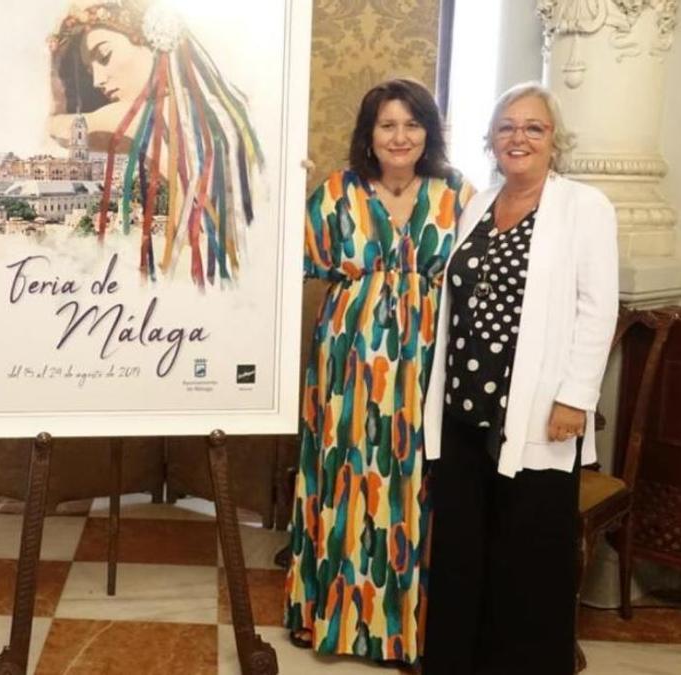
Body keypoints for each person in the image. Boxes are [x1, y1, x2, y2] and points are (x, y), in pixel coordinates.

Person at [421, 82, 619, 675]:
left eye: (534, 127)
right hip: (460, 410)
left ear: (555, 141)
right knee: (462, 552)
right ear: (490, 139)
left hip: (536, 416)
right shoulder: (478, 203)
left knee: (528, 559)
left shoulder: (583, 207)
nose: (519, 137)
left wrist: (575, 398)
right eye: (506, 126)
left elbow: (596, 308)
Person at [283, 78, 472, 667]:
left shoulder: (457, 195)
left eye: (411, 124)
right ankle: (331, 621)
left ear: (428, 132)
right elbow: (292, 255)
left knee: (411, 488)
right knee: (344, 483)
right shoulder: (337, 191)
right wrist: (286, 190)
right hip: (347, 371)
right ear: (370, 133)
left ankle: (402, 631)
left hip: (423, 372)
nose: (400, 136)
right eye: (387, 125)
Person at [47, 0, 264, 287]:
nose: (98, 80)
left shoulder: (153, 114)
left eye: (104, 55)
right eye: (90, 72)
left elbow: (56, 128)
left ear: (150, 42)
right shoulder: (224, 107)